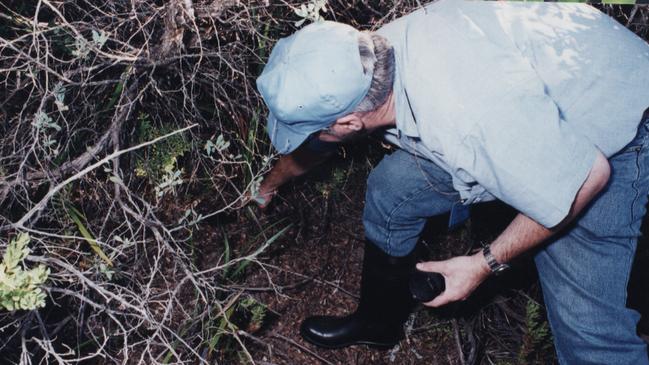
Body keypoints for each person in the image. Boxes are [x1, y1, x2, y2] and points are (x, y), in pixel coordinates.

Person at [254, 0, 649, 363]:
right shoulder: (370, 59)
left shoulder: (465, 118)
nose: (313, 140)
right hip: (523, 114)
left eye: (314, 131)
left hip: (613, 133)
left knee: (590, 333)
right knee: (393, 191)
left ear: (349, 123)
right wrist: (269, 184)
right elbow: (320, 143)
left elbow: (584, 179)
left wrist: (482, 264)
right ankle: (378, 324)